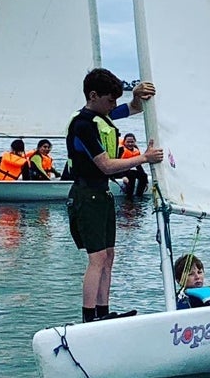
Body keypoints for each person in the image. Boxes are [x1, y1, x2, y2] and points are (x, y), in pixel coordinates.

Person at [66, 68, 164, 323]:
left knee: (109, 255)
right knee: (97, 258)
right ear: (94, 95)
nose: (113, 106)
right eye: (110, 100)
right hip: (86, 194)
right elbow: (106, 166)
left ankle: (102, 311)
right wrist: (143, 158)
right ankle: (88, 317)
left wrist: (137, 95)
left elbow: (132, 109)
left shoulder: (103, 116)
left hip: (102, 194)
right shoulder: (84, 124)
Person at [117, 133, 149, 197]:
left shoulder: (136, 150)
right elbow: (116, 164)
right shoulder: (121, 150)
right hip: (118, 171)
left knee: (144, 176)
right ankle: (129, 198)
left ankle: (139, 196)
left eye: (132, 142)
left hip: (128, 171)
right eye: (128, 142)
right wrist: (123, 176)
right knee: (131, 176)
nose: (130, 144)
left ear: (135, 142)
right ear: (124, 142)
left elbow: (138, 165)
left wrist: (146, 181)